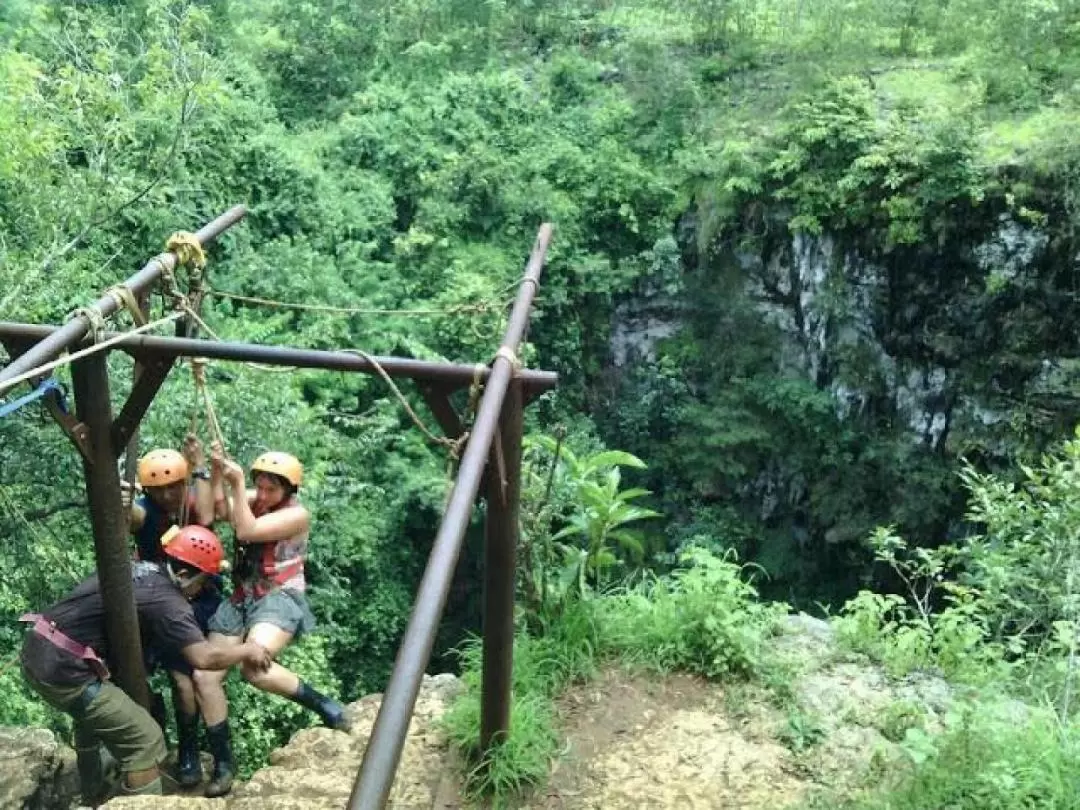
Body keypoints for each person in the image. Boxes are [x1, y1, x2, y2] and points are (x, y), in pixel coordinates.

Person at [20, 526, 271, 804]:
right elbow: (205, 658)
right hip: (64, 671)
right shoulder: (168, 602)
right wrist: (249, 648)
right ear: (185, 575)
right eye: (203, 582)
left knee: (93, 714)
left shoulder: (137, 569)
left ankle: (92, 791)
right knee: (146, 740)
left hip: (38, 650)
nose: (203, 589)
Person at [193, 446, 350, 798]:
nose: (262, 495)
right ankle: (223, 763)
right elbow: (216, 512)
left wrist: (235, 485)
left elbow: (246, 531)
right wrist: (216, 472)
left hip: (279, 595)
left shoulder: (297, 515)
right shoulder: (255, 498)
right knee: (205, 676)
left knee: (254, 666)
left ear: (289, 491)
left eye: (271, 490)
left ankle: (324, 705)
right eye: (259, 487)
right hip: (243, 596)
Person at [123, 435, 223, 789]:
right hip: (160, 603)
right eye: (159, 489)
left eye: (173, 486)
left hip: (199, 598)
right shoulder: (144, 510)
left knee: (189, 681)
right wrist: (120, 503)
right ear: (148, 491)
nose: (167, 494)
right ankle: (185, 750)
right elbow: (132, 517)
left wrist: (199, 469)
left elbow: (208, 517)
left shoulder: (193, 497)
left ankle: (190, 752)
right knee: (179, 682)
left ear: (183, 482)